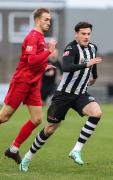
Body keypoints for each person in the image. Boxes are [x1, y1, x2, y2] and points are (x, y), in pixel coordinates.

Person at [19, 21, 102, 172]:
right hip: (63, 95)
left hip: (81, 93)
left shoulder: (93, 48)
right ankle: (28, 157)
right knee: (50, 129)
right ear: (76, 34)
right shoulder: (71, 48)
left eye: (88, 34)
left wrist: (94, 76)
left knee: (96, 113)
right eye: (83, 34)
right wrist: (87, 64)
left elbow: (93, 64)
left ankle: (76, 150)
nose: (86, 36)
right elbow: (66, 67)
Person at [0, 8, 57, 164]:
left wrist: (44, 66)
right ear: (37, 20)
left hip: (33, 84)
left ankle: (13, 149)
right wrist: (49, 52)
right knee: (3, 117)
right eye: (46, 19)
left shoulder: (40, 37)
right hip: (22, 82)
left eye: (50, 20)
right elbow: (32, 61)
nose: (48, 22)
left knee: (37, 119)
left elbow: (33, 61)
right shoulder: (33, 37)